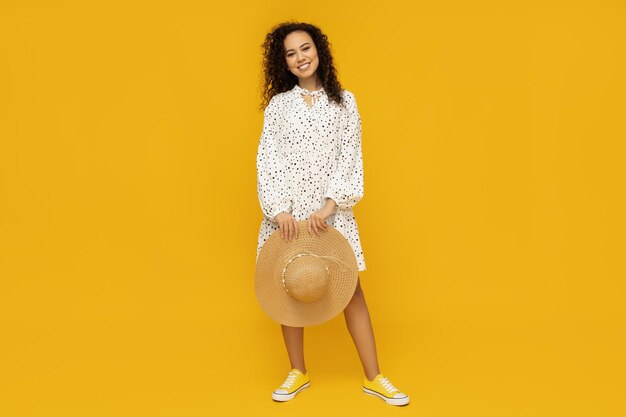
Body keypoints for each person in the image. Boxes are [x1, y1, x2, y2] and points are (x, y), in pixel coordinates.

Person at [255, 21, 410, 407]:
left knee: (351, 291)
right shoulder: (278, 106)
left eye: (304, 48)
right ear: (284, 64)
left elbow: (350, 157)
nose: (299, 58)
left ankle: (374, 376)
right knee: (287, 287)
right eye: (290, 54)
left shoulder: (345, 102)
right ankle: (298, 371)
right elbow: (268, 158)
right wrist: (280, 210)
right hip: (288, 217)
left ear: (319, 50)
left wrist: (330, 205)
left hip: (330, 213)